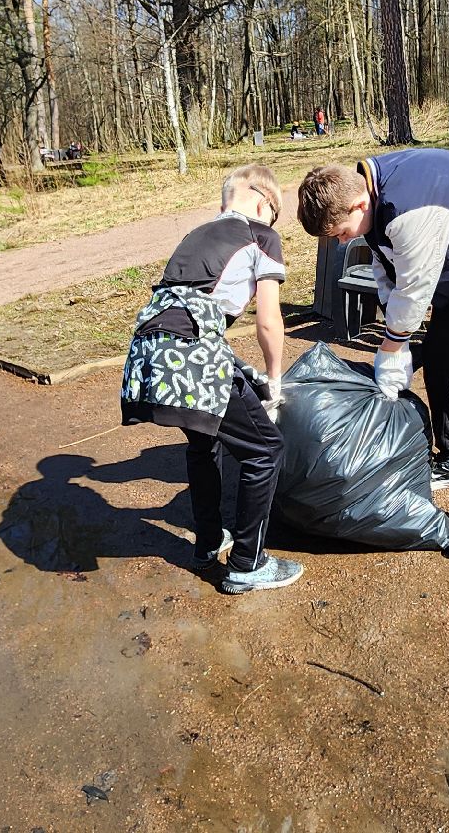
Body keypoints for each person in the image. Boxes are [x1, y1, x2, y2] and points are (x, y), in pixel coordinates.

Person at [297, 149, 449, 561]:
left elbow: (415, 287)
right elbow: (388, 273)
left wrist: (392, 345)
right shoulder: (372, 197)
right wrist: (394, 336)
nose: (344, 240)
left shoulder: (408, 207)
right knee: (440, 354)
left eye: (342, 232)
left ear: (359, 203)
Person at [121, 164, 302, 594]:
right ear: (264, 203)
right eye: (272, 215)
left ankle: (208, 541)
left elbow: (188, 312)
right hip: (191, 355)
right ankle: (248, 563)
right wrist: (274, 382)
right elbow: (269, 322)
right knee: (264, 449)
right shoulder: (262, 235)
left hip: (149, 355)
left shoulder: (197, 235)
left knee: (205, 442)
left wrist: (244, 375)